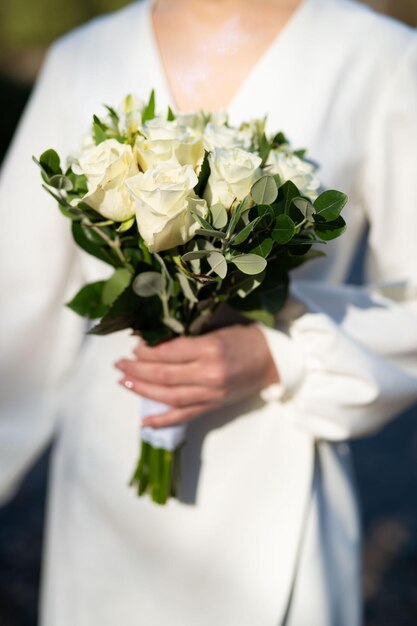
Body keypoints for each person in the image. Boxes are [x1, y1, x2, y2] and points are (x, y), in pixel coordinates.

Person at [0, 0, 416, 624]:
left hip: (278, 457)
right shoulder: (82, 58)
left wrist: (282, 354)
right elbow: (15, 299)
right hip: (110, 462)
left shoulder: (381, 55)